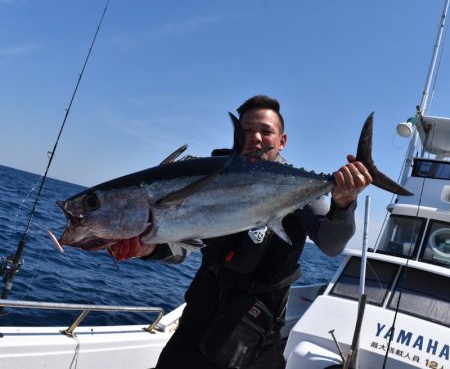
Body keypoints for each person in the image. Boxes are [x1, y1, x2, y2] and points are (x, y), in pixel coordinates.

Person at [109, 95, 372, 368]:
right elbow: (183, 247)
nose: (255, 138)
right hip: (198, 320)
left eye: (266, 131)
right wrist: (150, 247)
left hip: (257, 333)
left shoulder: (298, 189)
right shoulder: (211, 181)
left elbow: (332, 246)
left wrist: (343, 204)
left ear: (282, 141)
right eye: (246, 131)